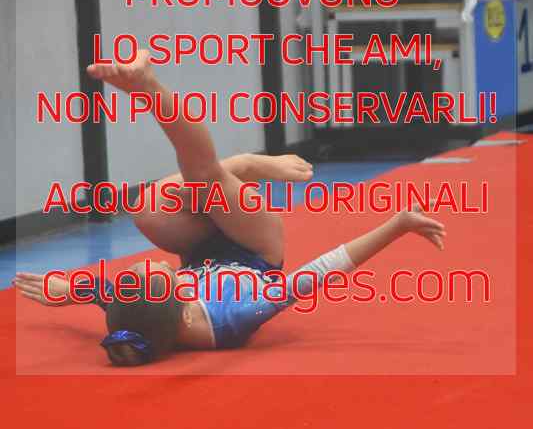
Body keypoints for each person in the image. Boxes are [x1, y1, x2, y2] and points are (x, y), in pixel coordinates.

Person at [14, 51, 447, 366]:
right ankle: (184, 117)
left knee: (145, 210)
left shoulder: (154, 317)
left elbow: (109, 297)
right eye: (158, 272)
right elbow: (322, 269)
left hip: (202, 249)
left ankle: (229, 170)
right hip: (254, 247)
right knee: (203, 177)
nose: (156, 262)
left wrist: (71, 289)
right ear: (185, 305)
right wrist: (397, 224)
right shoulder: (237, 314)